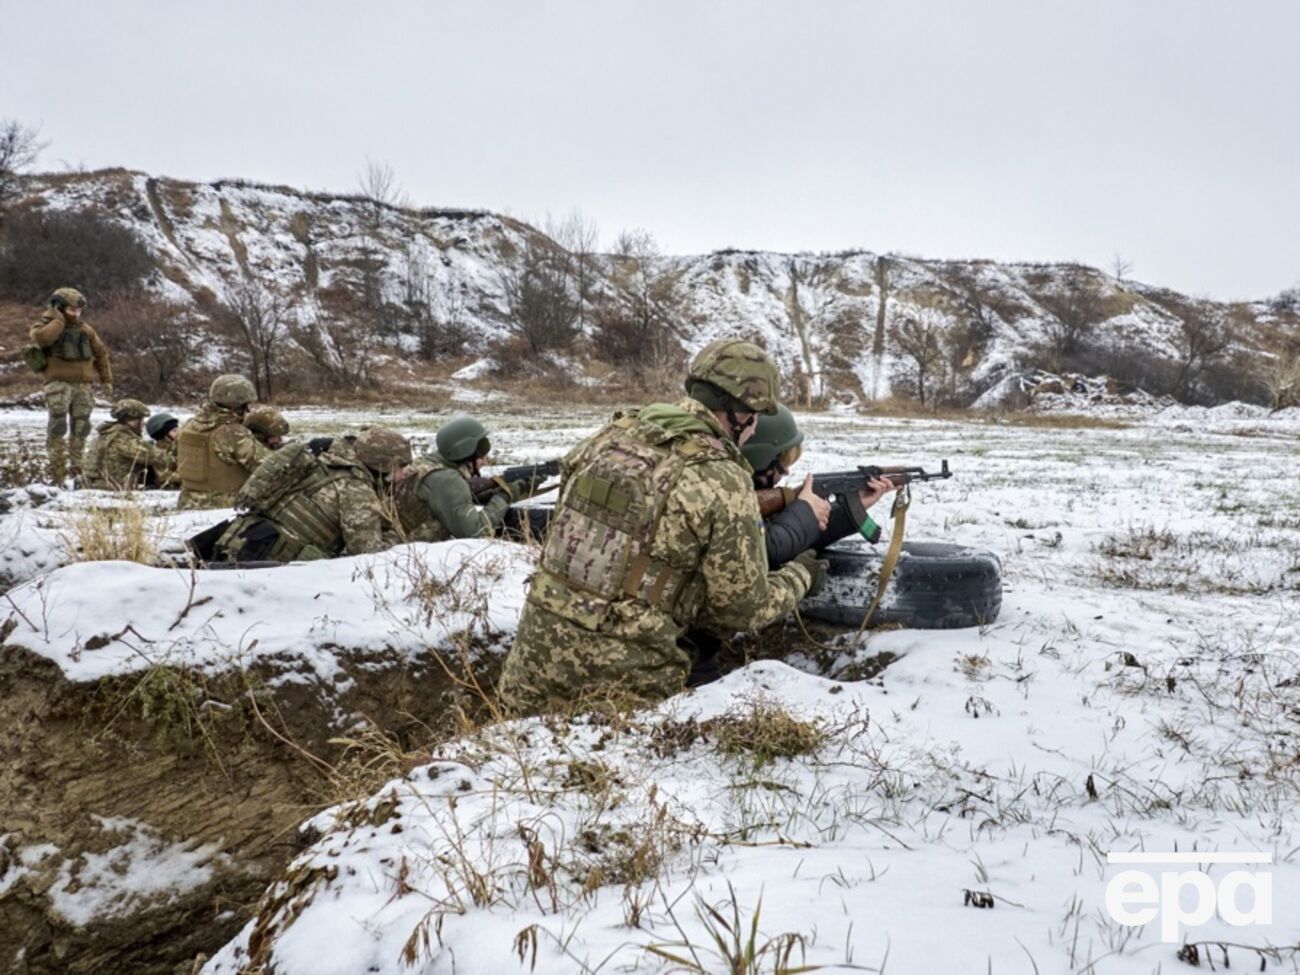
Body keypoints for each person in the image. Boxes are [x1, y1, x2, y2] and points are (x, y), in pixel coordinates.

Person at [496, 338, 825, 713]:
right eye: (756, 418)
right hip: (622, 697)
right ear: (742, 413)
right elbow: (742, 610)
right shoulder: (722, 478)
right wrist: (802, 576)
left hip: (528, 676)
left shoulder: (611, 435)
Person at [214, 426, 410, 562]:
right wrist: (399, 536)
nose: (402, 476)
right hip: (268, 564)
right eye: (400, 467)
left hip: (240, 544)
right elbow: (368, 553)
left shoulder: (322, 462)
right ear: (381, 463)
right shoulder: (355, 488)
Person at [741, 404, 895, 569]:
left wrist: (850, 509)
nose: (786, 471)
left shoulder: (745, 494)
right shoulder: (735, 503)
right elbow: (768, 550)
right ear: (761, 460)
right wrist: (804, 509)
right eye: (783, 463)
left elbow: (798, 537)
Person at [387, 415, 546, 542]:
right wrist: (505, 495)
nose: (486, 460)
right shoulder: (446, 479)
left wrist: (516, 486)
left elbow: (457, 497)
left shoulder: (429, 463)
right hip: (401, 548)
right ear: (465, 451)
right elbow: (475, 531)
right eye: (481, 453)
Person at [27, 288, 112, 482]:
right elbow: (42, 338)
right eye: (72, 310)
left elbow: (101, 354)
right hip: (58, 384)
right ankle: (57, 473)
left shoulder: (85, 329)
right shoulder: (45, 324)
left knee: (81, 428)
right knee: (57, 427)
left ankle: (77, 471)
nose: (76, 314)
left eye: (78, 310)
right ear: (59, 307)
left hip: (83, 386)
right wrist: (58, 320)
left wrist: (106, 379)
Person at [176, 375, 269, 509]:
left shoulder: (189, 426)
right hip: (224, 507)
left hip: (187, 503)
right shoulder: (232, 432)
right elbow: (267, 468)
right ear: (238, 406)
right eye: (247, 405)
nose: (249, 410)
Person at [80, 398, 176, 490]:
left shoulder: (108, 434)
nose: (143, 423)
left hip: (99, 484)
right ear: (132, 420)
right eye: (141, 419)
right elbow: (160, 458)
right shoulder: (125, 440)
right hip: (111, 488)